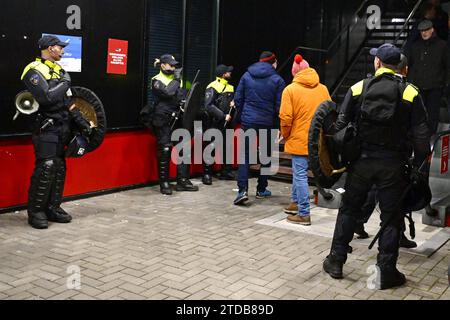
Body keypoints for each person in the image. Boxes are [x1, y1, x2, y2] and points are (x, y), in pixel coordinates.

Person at [323, 43, 430, 290]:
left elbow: (339, 128)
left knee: (349, 210)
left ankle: (336, 261)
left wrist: (343, 155)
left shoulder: (358, 87)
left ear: (378, 63)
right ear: (399, 66)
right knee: (391, 218)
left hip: (361, 163)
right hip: (393, 165)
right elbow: (423, 141)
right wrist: (414, 165)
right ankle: (386, 271)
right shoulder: (411, 93)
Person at [21, 35, 92, 229]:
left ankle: (53, 208)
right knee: (47, 166)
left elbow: (67, 102)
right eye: (60, 47)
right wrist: (65, 82)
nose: (62, 51)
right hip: (46, 127)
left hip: (63, 127)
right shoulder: (33, 70)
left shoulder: (59, 70)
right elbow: (46, 97)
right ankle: (35, 212)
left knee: (59, 166)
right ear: (50, 48)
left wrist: (81, 120)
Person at [354, 54, 419, 249]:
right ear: (404, 69)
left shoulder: (366, 86)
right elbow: (418, 129)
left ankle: (358, 224)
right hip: (395, 155)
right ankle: (395, 238)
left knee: (373, 190)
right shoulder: (407, 91)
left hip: (368, 154)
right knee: (393, 198)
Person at [279, 54, 331, 226]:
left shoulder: (290, 90)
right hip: (318, 140)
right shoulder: (323, 89)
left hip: (299, 138)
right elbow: (329, 113)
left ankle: (303, 213)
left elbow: (286, 118)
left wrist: (286, 135)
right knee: (299, 173)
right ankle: (295, 203)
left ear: (295, 73)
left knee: (299, 174)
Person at [233, 51, 285, 205]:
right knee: (267, 156)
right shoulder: (278, 80)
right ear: (273, 63)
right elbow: (279, 106)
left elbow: (238, 98)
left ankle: (242, 191)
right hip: (268, 122)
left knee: (245, 156)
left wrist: (244, 115)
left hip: (248, 120)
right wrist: (277, 124)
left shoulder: (246, 76)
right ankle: (261, 189)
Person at [151, 54, 199, 195]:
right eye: (171, 65)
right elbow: (168, 93)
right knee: (165, 150)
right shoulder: (156, 80)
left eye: (175, 65)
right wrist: (177, 79)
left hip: (178, 118)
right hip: (163, 120)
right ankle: (164, 183)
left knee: (184, 149)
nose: (173, 67)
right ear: (163, 65)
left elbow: (185, 95)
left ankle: (182, 181)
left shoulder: (179, 80)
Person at [407, 19, 447, 135]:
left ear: (432, 30)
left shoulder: (442, 46)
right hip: (418, 86)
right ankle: (419, 138)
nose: (424, 33)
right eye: (422, 31)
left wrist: (445, 84)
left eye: (426, 30)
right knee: (417, 114)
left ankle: (430, 139)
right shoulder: (415, 46)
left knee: (432, 115)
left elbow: (447, 66)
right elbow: (411, 65)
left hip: (435, 86)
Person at [202, 64, 235, 185]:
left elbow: (230, 102)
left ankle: (226, 171)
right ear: (223, 74)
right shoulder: (212, 86)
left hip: (228, 122)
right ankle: (206, 173)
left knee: (228, 147)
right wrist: (222, 115)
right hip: (214, 122)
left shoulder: (230, 87)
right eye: (228, 72)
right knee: (211, 148)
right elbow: (208, 106)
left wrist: (234, 103)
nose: (230, 73)